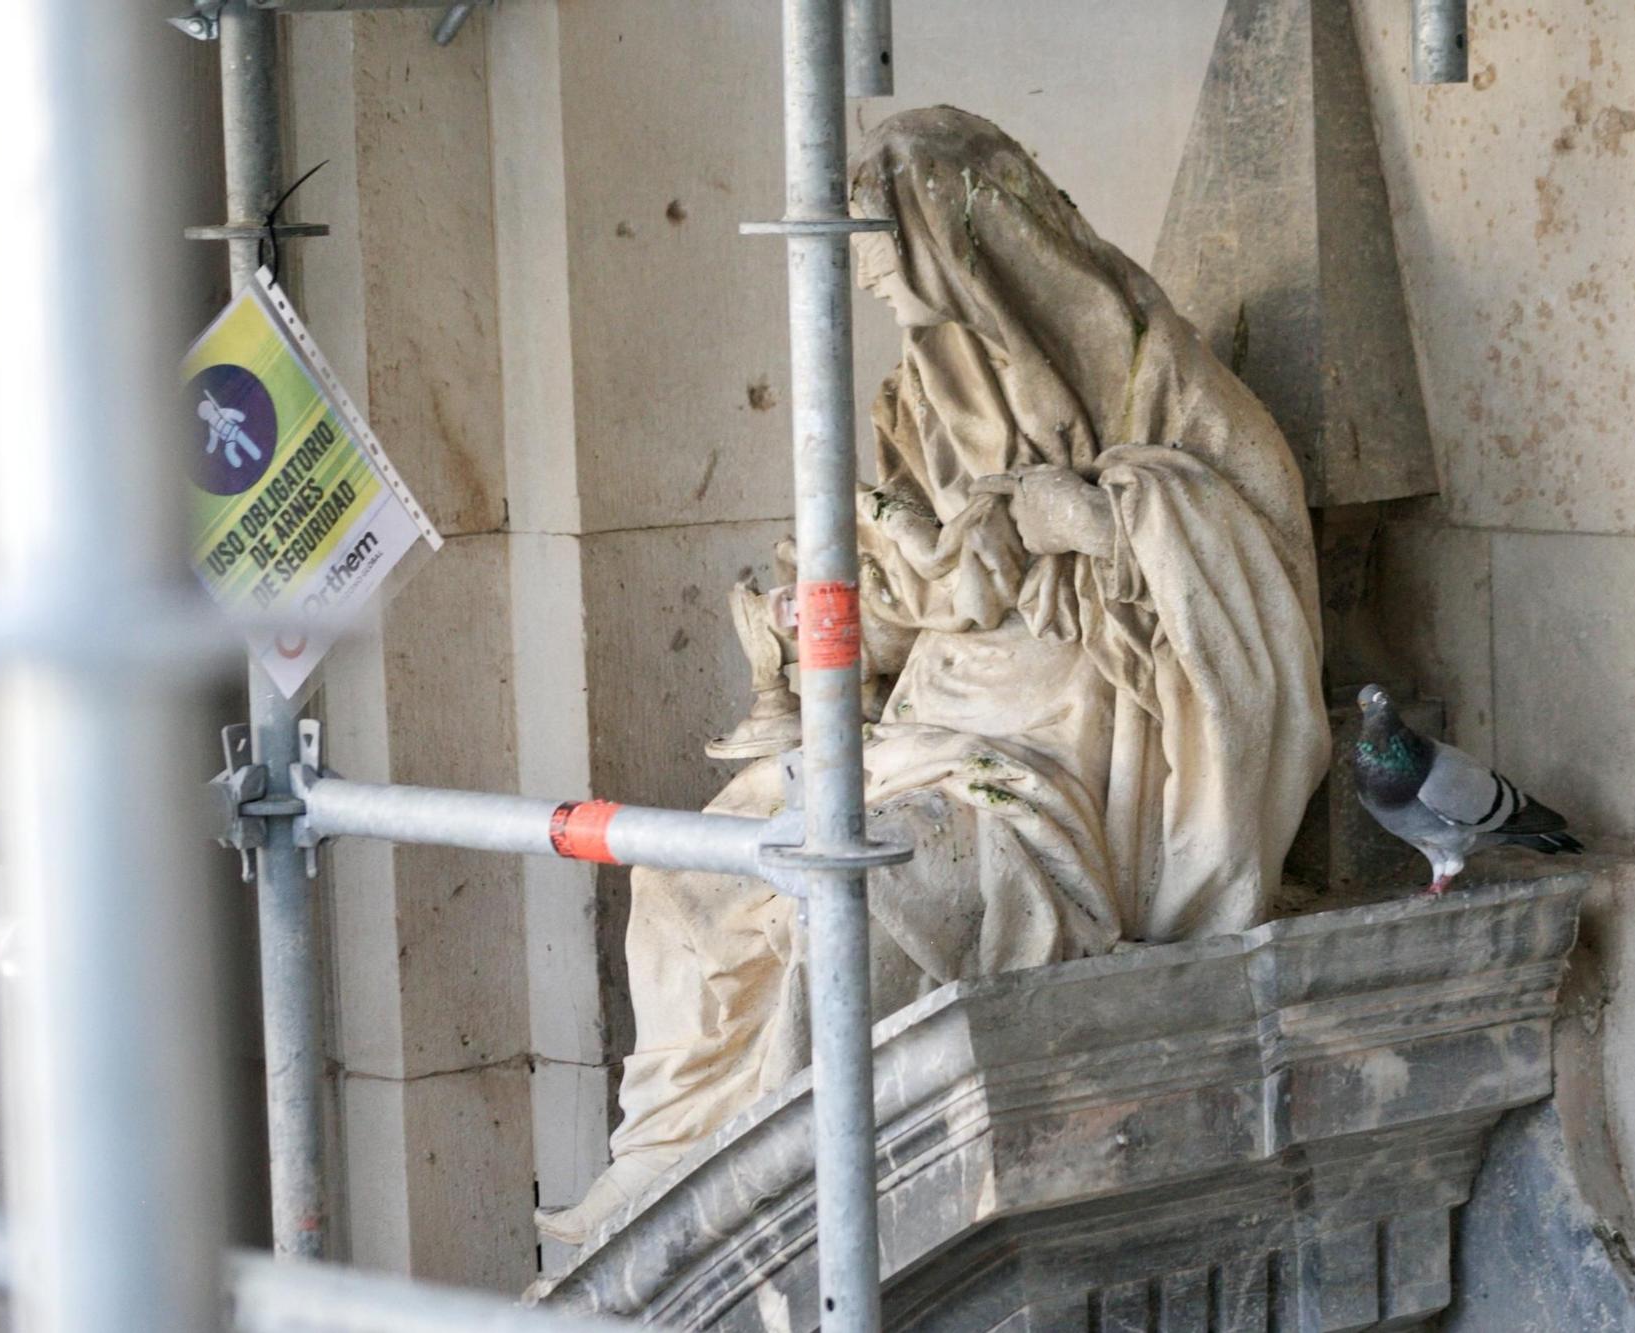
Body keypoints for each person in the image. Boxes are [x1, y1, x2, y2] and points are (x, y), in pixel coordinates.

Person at [536, 107, 1329, 1245]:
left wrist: (1106, 519)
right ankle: (665, 1156)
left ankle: (762, 1221)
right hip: (924, 727)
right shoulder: (921, 400)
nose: (899, 320)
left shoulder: (1164, 390)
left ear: (985, 263)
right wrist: (829, 609)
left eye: (908, 288)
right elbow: (915, 595)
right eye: (877, 297)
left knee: (850, 899)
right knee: (686, 868)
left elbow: (1260, 591)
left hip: (1049, 767)